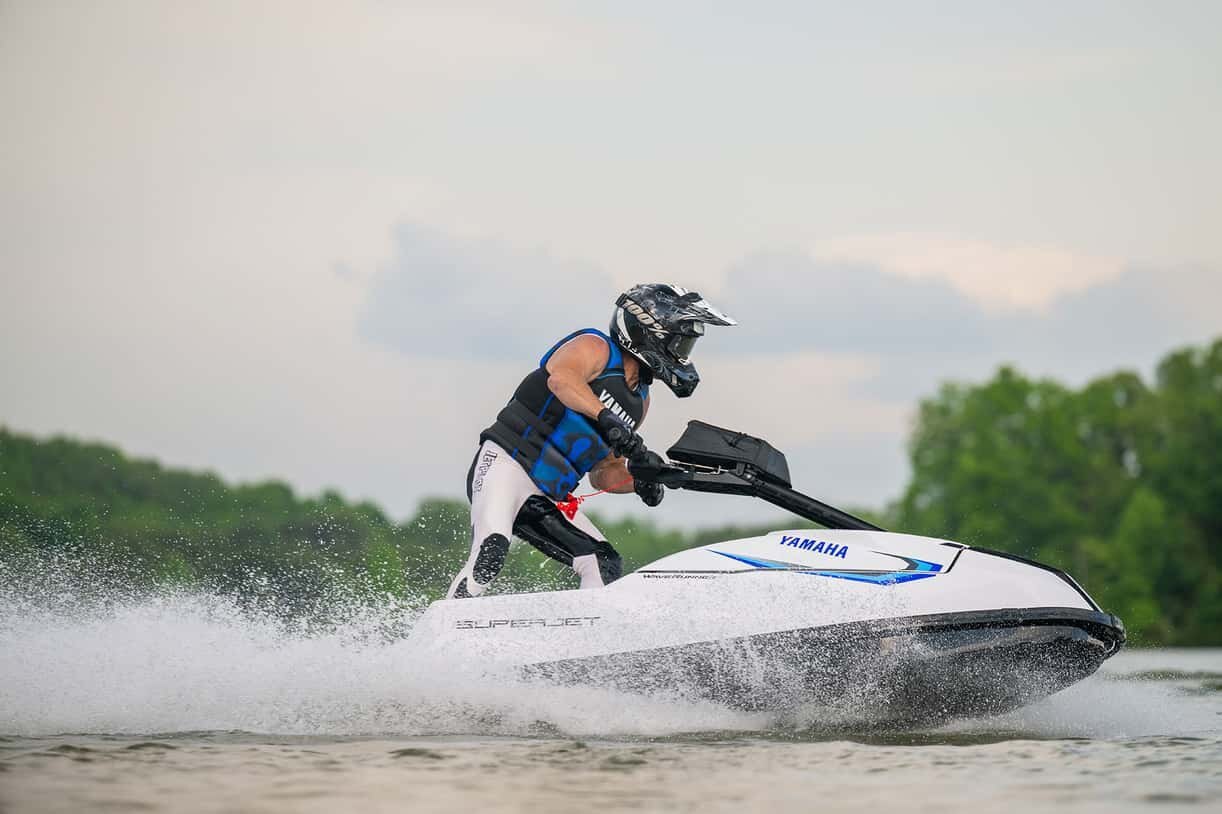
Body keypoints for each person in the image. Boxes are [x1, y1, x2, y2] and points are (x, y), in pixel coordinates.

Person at [446, 283, 736, 599]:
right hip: (505, 466)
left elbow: (603, 472)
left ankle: (584, 628)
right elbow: (562, 379)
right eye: (680, 343)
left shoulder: (639, 402)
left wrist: (643, 479)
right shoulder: (595, 347)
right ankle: (444, 626)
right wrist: (605, 417)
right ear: (650, 332)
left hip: (546, 495)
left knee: (603, 562)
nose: (683, 354)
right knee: (491, 550)